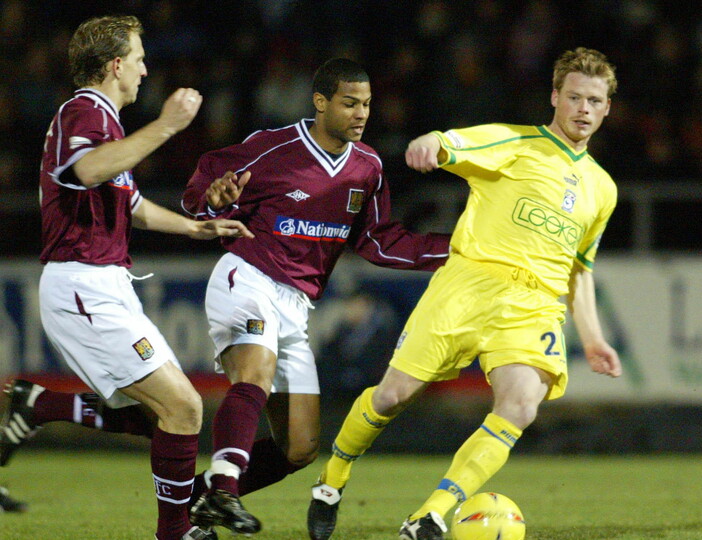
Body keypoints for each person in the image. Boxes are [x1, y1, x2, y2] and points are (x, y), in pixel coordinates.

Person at [306, 47, 622, 540]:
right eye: (575, 97)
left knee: (520, 406)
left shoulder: (603, 189)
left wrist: (594, 338)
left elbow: (579, 270)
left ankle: (430, 514)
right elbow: (453, 143)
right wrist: (431, 144)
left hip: (533, 305)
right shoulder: (514, 143)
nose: (584, 109)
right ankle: (333, 478)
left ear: (607, 108)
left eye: (595, 100)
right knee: (390, 397)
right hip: (469, 285)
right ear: (555, 97)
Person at [0, 14, 252, 540]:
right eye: (138, 59)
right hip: (82, 284)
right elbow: (85, 172)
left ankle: (41, 404)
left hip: (102, 282)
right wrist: (167, 125)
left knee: (163, 416)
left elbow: (130, 203)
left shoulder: (104, 124)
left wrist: (196, 228)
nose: (143, 69)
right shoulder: (84, 111)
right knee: (181, 407)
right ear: (115, 64)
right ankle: (176, 532)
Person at [179, 58, 450, 535]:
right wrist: (212, 198)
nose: (361, 113)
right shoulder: (272, 147)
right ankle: (223, 490)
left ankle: (192, 503)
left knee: (299, 448)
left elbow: (380, 241)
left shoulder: (367, 167)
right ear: (321, 102)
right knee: (255, 373)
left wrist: (459, 250)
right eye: (349, 103)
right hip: (248, 276)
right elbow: (204, 182)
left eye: (366, 104)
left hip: (297, 305)